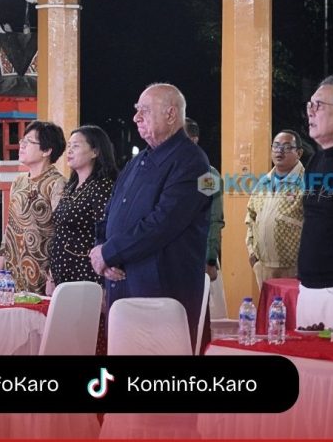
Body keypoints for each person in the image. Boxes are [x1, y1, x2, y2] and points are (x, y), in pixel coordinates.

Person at [90, 83, 211, 349]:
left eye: (144, 110)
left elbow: (163, 224)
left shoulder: (194, 163)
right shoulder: (138, 161)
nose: (136, 117)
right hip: (121, 285)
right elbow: (111, 211)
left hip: (160, 289)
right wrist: (101, 251)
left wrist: (110, 252)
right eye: (136, 110)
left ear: (171, 114)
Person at [297, 76, 333, 329]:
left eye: (319, 105)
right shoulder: (316, 161)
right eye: (310, 105)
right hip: (309, 289)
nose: (310, 112)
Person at [0, 120, 66, 294]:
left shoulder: (57, 183)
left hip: (41, 274)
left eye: (29, 142)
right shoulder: (19, 181)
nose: (22, 145)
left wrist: (52, 276)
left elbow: (61, 233)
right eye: (22, 140)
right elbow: (10, 228)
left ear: (47, 150)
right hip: (12, 274)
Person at [48, 124, 118, 290]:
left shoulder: (102, 187)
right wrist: (51, 276)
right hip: (61, 272)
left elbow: (107, 230)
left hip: (86, 273)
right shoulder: (71, 186)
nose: (69, 151)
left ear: (95, 151)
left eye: (76, 146)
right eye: (69, 146)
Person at [245, 129, 305, 287]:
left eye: (287, 147)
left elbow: (316, 226)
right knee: (268, 304)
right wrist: (252, 254)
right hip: (263, 267)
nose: (280, 151)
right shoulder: (263, 182)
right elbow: (251, 218)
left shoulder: (307, 184)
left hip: (295, 270)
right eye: (276, 146)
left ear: (299, 153)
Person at [184, 117, 225, 282]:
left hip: (197, 258)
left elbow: (213, 219)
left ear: (194, 140)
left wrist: (210, 260)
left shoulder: (207, 175)